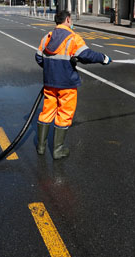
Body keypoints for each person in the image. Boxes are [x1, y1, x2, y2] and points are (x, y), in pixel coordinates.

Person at [35, 10, 111, 159]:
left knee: (46, 112)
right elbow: (86, 55)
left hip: (50, 83)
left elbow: (38, 57)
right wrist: (103, 58)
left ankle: (41, 147)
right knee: (64, 114)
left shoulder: (46, 38)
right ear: (68, 20)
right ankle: (58, 150)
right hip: (67, 84)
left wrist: (51, 69)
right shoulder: (73, 38)